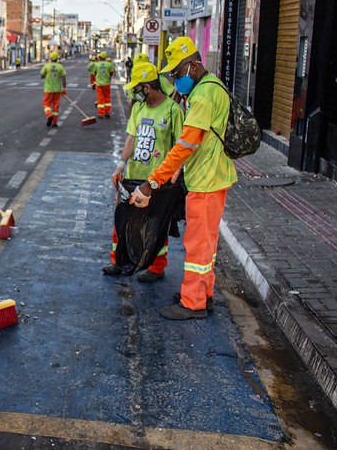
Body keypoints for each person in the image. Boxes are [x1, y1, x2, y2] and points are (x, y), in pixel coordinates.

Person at [130, 37, 238, 320]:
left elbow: (186, 144)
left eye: (176, 73)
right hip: (211, 177)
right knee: (207, 244)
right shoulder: (211, 87)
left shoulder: (203, 95)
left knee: (198, 244)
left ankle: (193, 303)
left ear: (192, 65)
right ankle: (204, 293)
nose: (175, 79)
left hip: (207, 180)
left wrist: (152, 181)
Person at [103, 62, 184, 282]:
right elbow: (131, 137)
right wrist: (121, 164)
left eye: (137, 88)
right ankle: (118, 260)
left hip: (158, 181)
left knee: (156, 224)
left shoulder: (173, 110)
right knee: (122, 220)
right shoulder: (138, 108)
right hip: (132, 177)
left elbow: (180, 146)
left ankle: (156, 267)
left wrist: (175, 174)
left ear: (147, 87)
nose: (134, 93)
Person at [40, 51, 67, 127]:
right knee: (56, 106)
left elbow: (42, 76)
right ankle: (54, 122)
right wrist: (64, 88)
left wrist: (46, 75)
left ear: (50, 58)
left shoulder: (46, 66)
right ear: (57, 59)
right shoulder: (60, 67)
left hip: (48, 89)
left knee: (46, 104)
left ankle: (49, 115)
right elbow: (63, 78)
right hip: (57, 89)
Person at [93, 51, 115, 118]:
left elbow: (94, 73)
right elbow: (111, 73)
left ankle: (101, 113)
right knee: (107, 98)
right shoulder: (109, 64)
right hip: (107, 83)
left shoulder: (96, 64)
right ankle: (107, 112)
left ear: (99, 57)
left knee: (100, 98)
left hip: (99, 84)